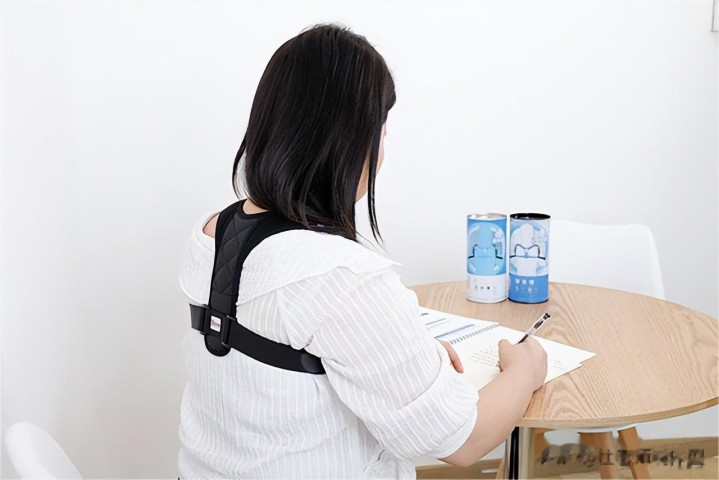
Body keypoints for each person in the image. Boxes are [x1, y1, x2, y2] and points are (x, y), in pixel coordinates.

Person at [177, 23, 547, 479]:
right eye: (381, 134)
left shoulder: (212, 232)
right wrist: (526, 370)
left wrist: (399, 354)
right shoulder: (341, 277)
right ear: (350, 143)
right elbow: (462, 441)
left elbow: (285, 346)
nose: (382, 154)